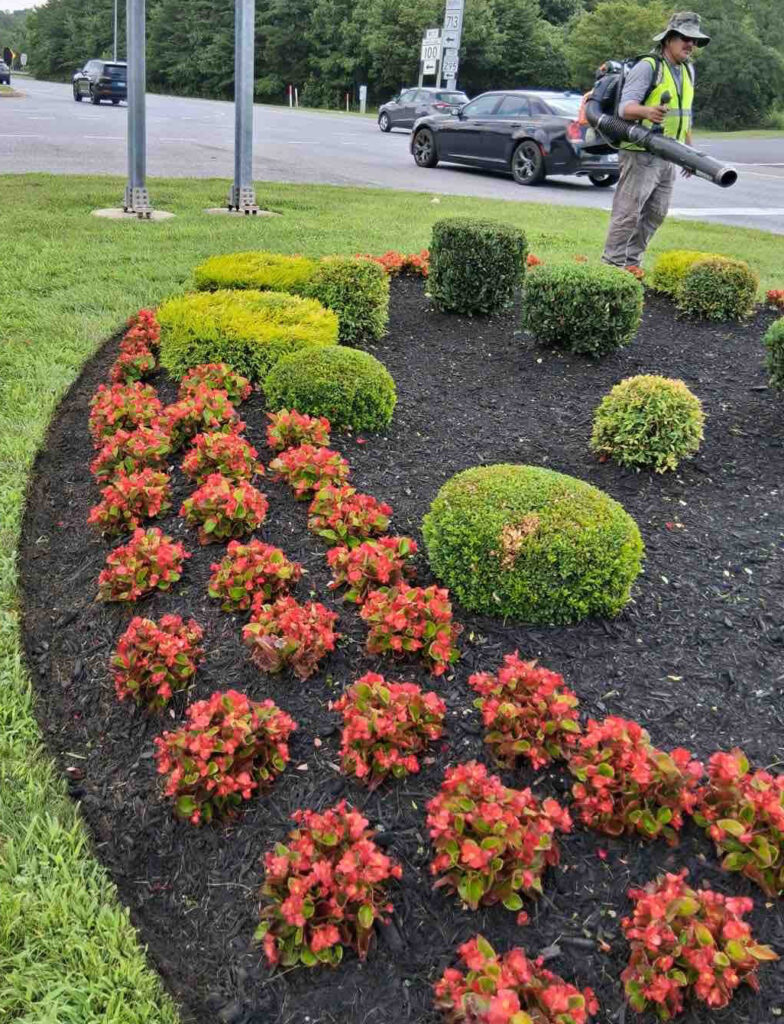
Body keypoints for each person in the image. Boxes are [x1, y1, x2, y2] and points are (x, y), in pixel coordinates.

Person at [601, 11, 710, 269]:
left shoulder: (687, 71)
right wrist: (648, 112)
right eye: (685, 38)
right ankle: (611, 268)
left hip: (669, 155)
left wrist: (688, 154)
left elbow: (686, 116)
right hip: (640, 153)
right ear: (668, 39)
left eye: (694, 40)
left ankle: (631, 264)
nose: (690, 45)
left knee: (656, 214)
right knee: (627, 215)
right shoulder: (648, 67)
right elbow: (624, 109)